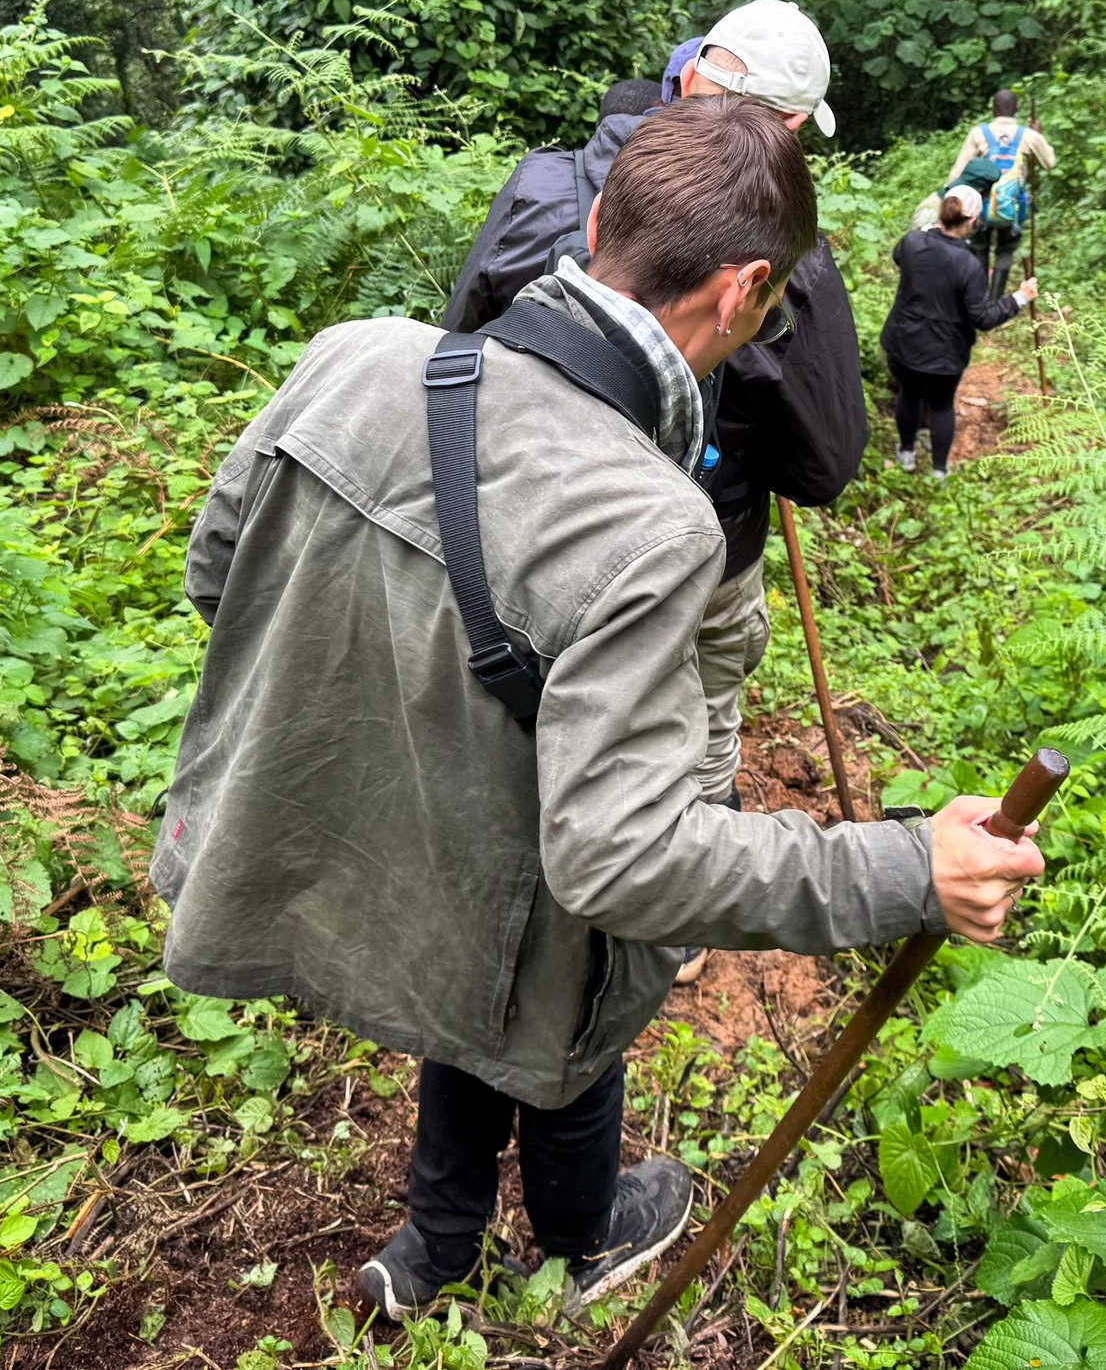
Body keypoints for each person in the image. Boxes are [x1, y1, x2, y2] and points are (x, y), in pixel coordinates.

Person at [154, 101, 1047, 1324]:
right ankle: (580, 1237)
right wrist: (908, 868)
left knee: (493, 982)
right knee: (573, 977)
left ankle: (440, 1244)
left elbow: (220, 577)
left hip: (361, 857)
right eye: (773, 309)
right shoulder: (650, 523)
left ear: (595, 229)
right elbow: (622, 861)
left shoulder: (353, 356)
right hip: (513, 906)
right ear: (744, 291)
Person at [440, 0, 868, 841]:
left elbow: (459, 354)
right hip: (701, 557)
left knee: (517, 712)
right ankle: (685, 869)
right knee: (692, 754)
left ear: (690, 72)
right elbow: (823, 464)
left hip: (508, 526)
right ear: (790, 127)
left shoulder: (543, 185)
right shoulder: (785, 257)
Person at [880, 185, 1039, 481]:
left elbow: (899, 256)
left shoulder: (913, 242)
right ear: (973, 221)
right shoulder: (969, 264)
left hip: (903, 342)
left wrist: (927, 232)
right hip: (945, 354)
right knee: (941, 405)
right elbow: (983, 318)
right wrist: (1019, 298)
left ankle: (906, 454)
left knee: (909, 394)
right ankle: (939, 470)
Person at [947, 88, 1059, 299]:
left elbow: (959, 171)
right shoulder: (1028, 135)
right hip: (1013, 207)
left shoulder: (978, 133)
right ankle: (995, 301)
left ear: (993, 109)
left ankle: (978, 299)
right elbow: (1050, 163)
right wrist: (1038, 135)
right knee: (1005, 250)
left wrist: (950, 197)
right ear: (1015, 110)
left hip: (981, 205)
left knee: (980, 247)